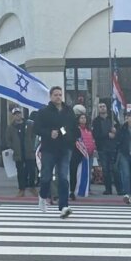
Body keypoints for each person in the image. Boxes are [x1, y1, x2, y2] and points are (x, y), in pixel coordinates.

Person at [34, 86, 75, 218]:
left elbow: (73, 127)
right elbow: (36, 128)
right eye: (56, 95)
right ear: (51, 97)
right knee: (46, 176)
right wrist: (48, 133)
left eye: (60, 94)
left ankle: (63, 206)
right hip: (49, 149)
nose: (58, 97)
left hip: (64, 148)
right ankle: (42, 196)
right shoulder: (44, 112)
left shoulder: (68, 111)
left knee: (63, 177)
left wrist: (68, 136)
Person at [91, 106, 119, 195]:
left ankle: (120, 189)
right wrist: (107, 135)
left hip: (113, 147)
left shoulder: (112, 118)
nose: (102, 108)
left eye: (103, 106)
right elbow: (95, 135)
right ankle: (108, 189)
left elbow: (120, 130)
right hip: (102, 148)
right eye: (100, 107)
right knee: (105, 169)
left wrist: (116, 131)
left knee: (115, 169)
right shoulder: (96, 121)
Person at [9, 108, 34, 197]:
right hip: (18, 153)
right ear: (13, 116)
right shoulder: (11, 127)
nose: (17, 115)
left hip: (29, 151)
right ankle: (21, 189)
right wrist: (13, 147)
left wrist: (32, 145)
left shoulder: (28, 124)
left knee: (31, 170)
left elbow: (33, 135)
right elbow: (8, 140)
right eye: (15, 114)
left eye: (19, 113)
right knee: (20, 172)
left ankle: (32, 186)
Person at [68, 111, 94, 198]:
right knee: (73, 172)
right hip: (74, 153)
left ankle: (82, 189)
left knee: (83, 173)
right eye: (81, 118)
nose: (83, 119)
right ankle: (71, 190)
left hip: (85, 153)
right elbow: (66, 136)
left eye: (84, 118)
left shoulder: (88, 129)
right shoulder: (71, 128)